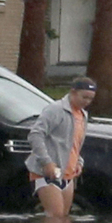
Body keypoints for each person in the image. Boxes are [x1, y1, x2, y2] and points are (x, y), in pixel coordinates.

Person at [27, 76, 92, 215]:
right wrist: (47, 162)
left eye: (90, 99)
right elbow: (35, 135)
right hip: (47, 172)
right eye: (84, 97)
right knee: (55, 217)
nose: (87, 102)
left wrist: (79, 162)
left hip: (67, 174)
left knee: (63, 218)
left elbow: (74, 143)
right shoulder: (55, 110)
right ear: (73, 92)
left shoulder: (83, 115)